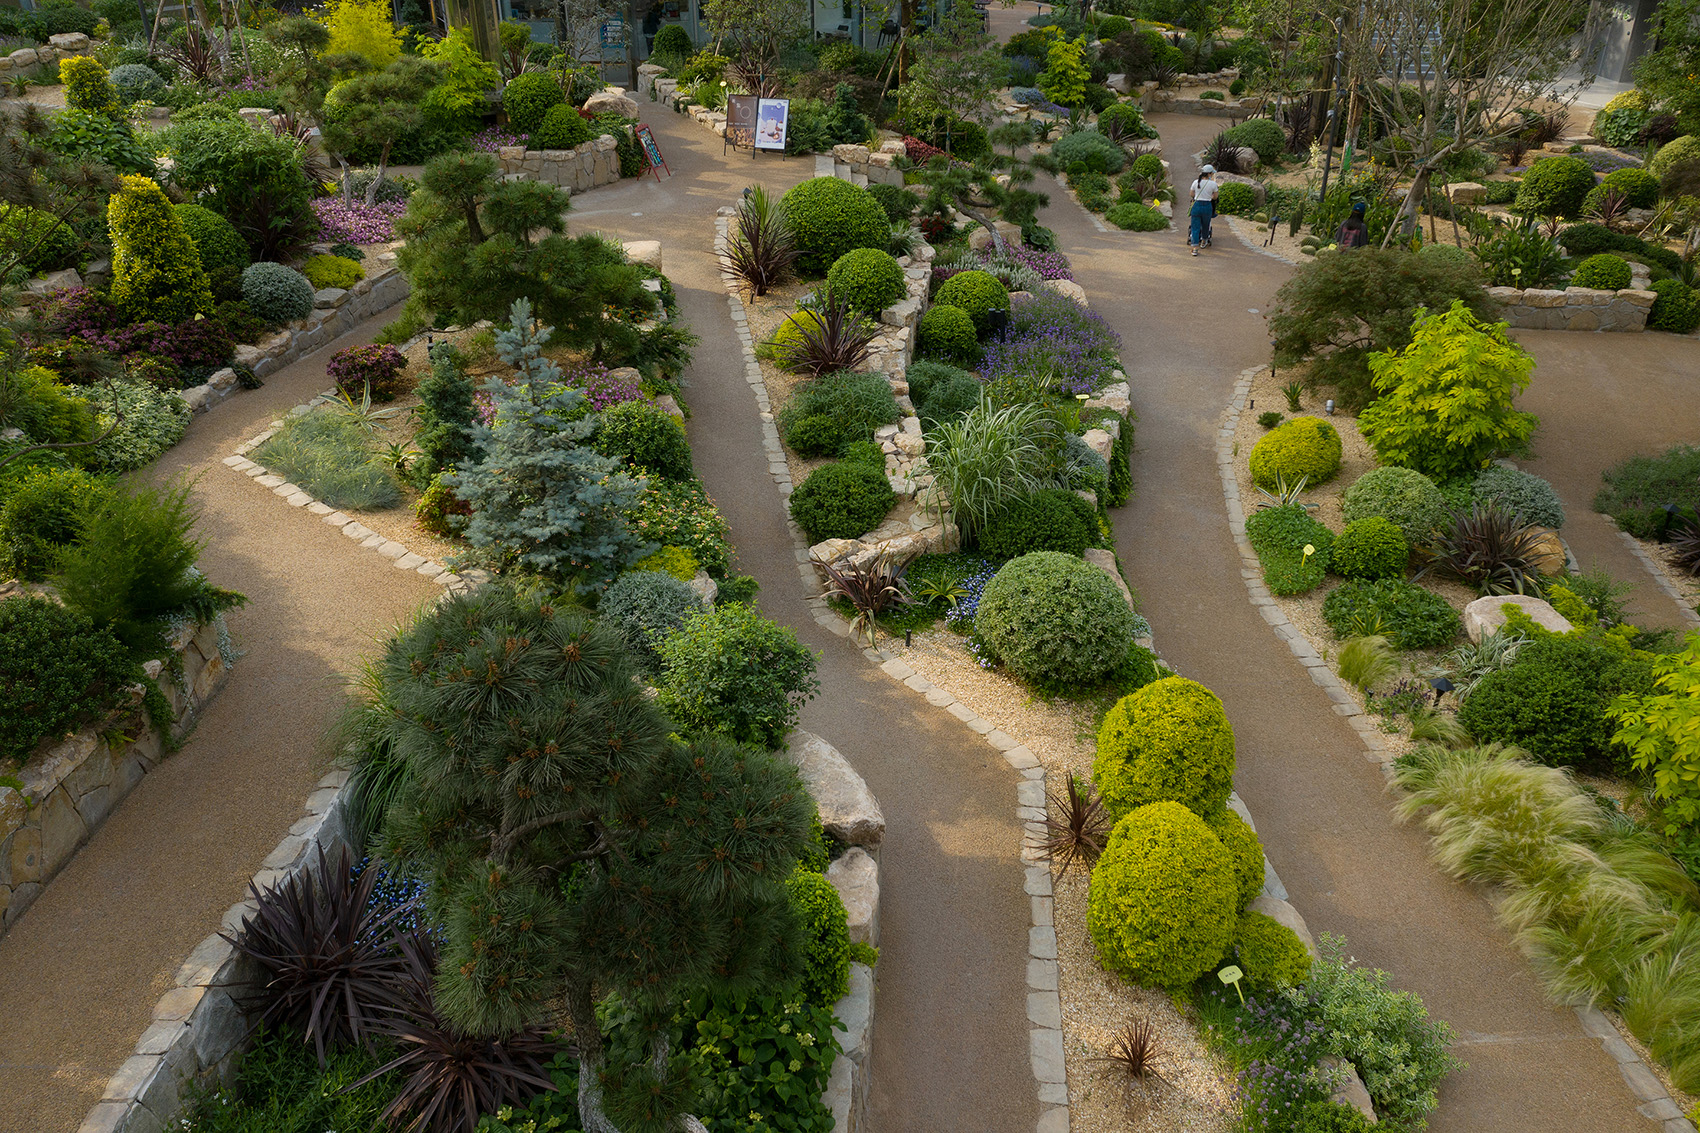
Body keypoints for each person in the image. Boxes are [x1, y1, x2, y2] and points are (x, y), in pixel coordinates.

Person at [1188, 165, 1220, 255]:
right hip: (1207, 206)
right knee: (1205, 225)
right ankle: (1204, 241)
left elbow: (1191, 194)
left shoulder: (1195, 182)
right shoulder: (1213, 184)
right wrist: (1210, 196)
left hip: (1196, 205)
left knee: (1195, 227)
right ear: (1209, 174)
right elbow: (1215, 197)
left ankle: (1194, 248)